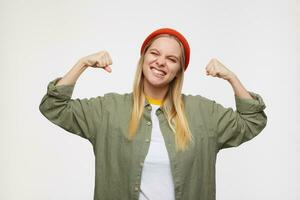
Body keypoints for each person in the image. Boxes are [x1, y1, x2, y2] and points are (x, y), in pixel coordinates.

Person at [39, 28, 267, 200]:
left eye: (172, 59)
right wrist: (82, 64)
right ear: (143, 58)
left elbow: (251, 121)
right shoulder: (108, 109)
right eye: (155, 53)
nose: (160, 62)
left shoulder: (203, 113)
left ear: (179, 70)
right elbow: (54, 106)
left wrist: (231, 78)